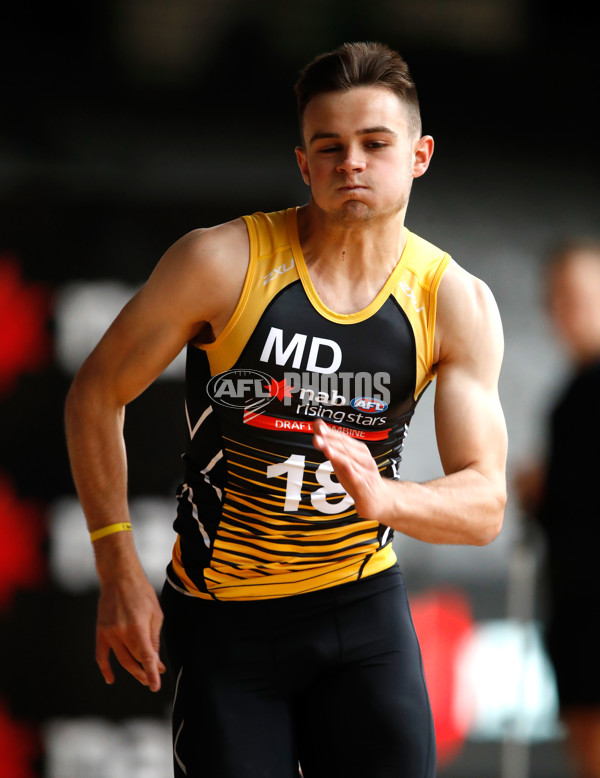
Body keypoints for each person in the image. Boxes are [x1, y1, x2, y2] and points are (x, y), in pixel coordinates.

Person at [65, 41, 507, 778]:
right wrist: (117, 568)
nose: (351, 163)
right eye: (329, 147)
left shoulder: (452, 300)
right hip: (226, 618)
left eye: (375, 143)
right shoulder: (222, 264)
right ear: (303, 164)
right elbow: (94, 392)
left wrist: (387, 496)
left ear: (420, 155)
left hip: (360, 609)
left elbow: (486, 502)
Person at [515, 239, 600, 778]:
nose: (569, 311)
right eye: (560, 299)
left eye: (582, 295)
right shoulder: (570, 396)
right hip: (576, 598)